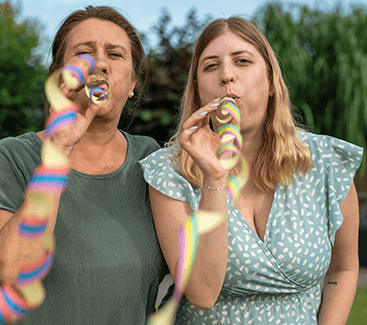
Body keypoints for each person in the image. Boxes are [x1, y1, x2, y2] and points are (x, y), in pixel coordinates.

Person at [139, 16, 363, 324]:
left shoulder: (326, 162)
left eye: (242, 61)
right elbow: (202, 292)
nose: (227, 76)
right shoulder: (169, 172)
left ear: (271, 81)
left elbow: (344, 269)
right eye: (210, 66)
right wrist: (215, 177)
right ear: (198, 88)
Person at [0, 6, 167, 324]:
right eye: (84, 53)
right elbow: (12, 271)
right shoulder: (12, 156)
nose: (100, 63)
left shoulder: (151, 160)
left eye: (115, 55)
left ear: (133, 83)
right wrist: (57, 153)